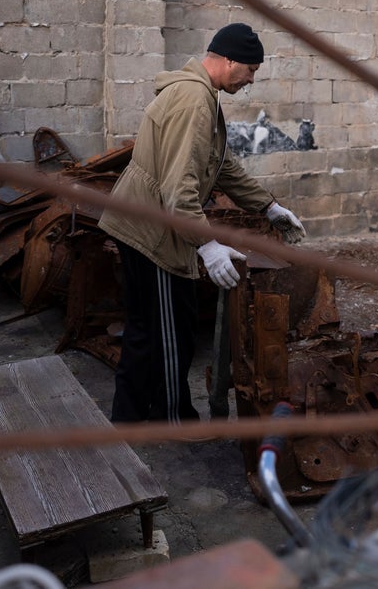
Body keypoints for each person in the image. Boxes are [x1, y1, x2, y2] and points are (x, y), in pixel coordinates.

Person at [99, 22, 307, 423]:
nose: (250, 82)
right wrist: (207, 246)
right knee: (171, 335)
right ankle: (174, 420)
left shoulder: (199, 94)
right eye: (250, 71)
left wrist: (268, 207)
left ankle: (128, 418)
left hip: (144, 224)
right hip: (152, 234)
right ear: (229, 61)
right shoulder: (194, 100)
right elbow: (179, 189)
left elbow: (223, 166)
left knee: (147, 331)